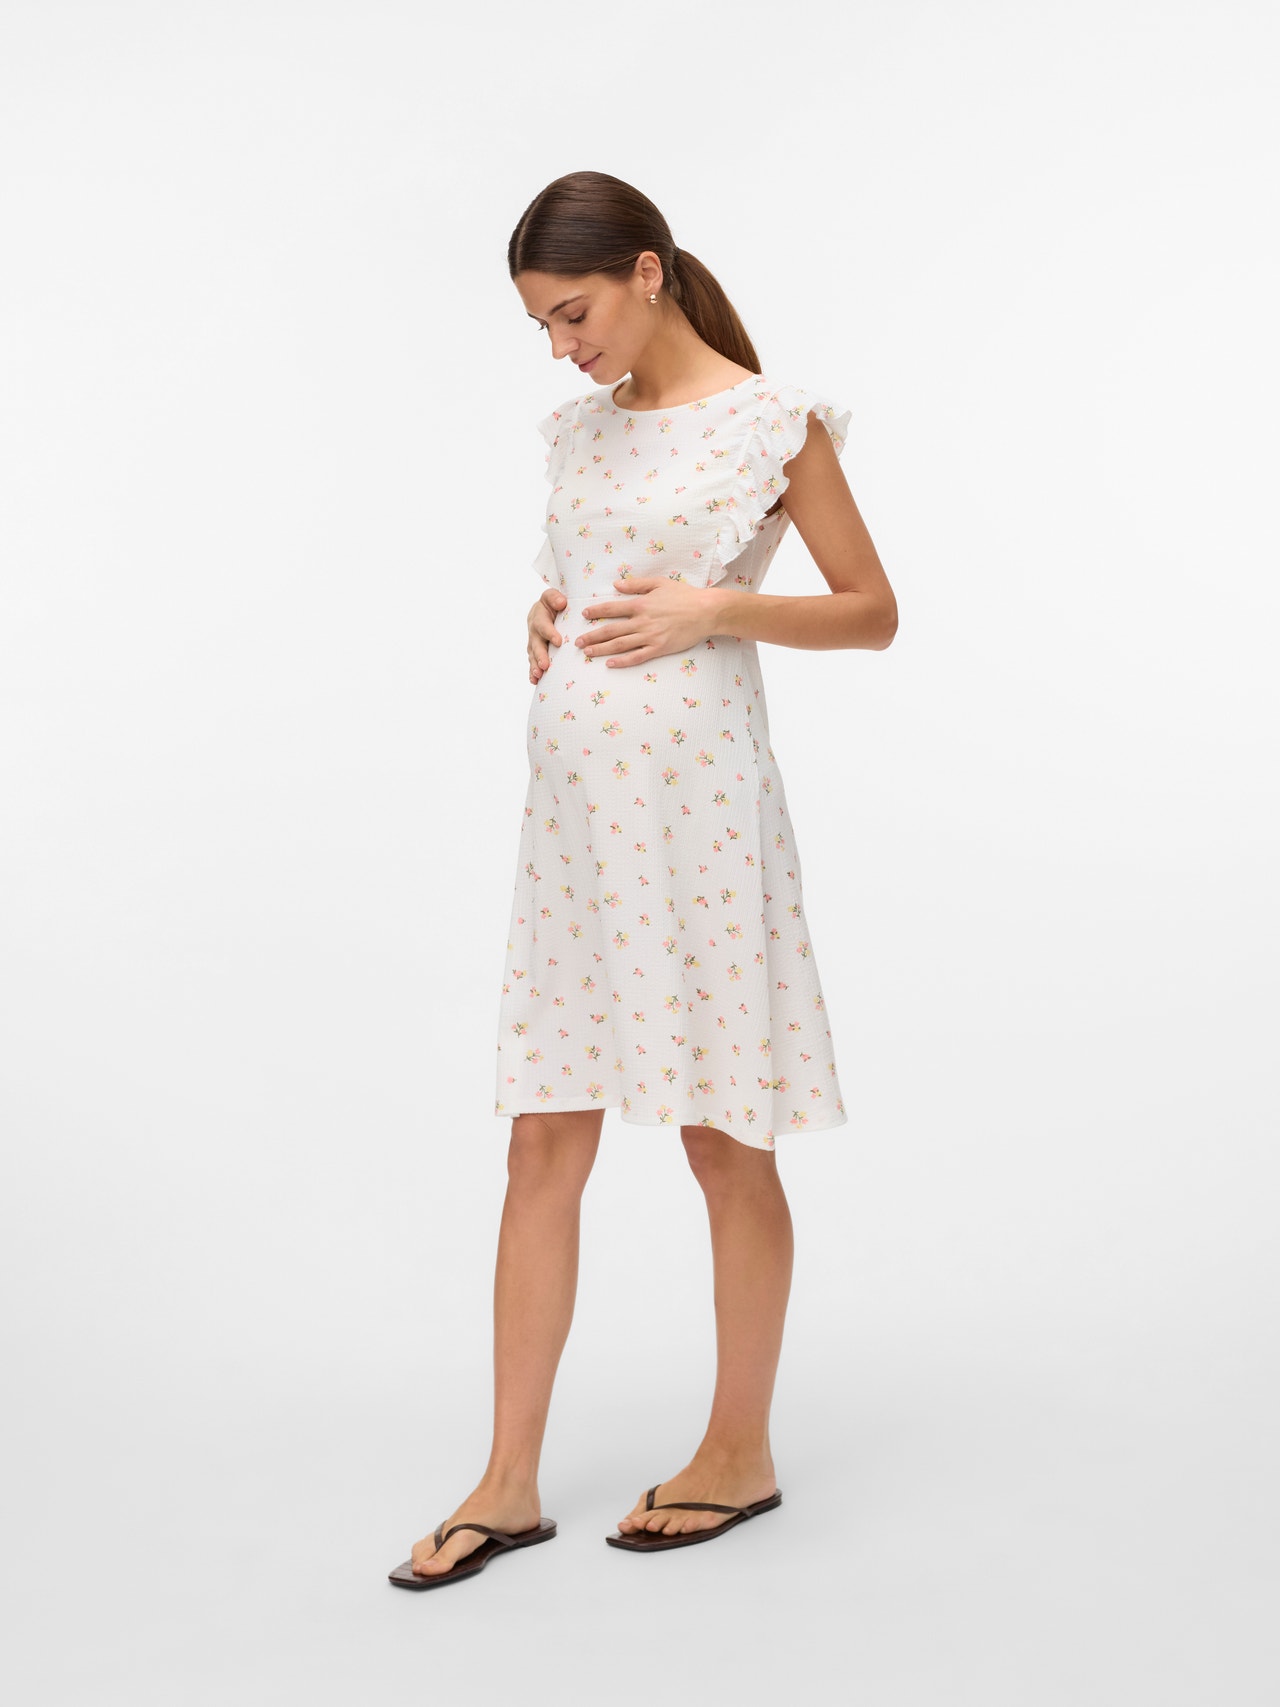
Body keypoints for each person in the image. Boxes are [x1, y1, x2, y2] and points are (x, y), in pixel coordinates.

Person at [388, 171, 897, 1590]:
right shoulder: (576, 433)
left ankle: (739, 1452)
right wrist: (545, 610)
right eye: (544, 328)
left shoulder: (772, 421)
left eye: (575, 313)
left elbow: (872, 612)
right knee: (541, 1143)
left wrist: (718, 605)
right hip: (570, 836)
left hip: (701, 828)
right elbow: (589, 577)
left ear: (648, 272)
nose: (564, 347)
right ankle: (507, 1483)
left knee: (723, 1141)